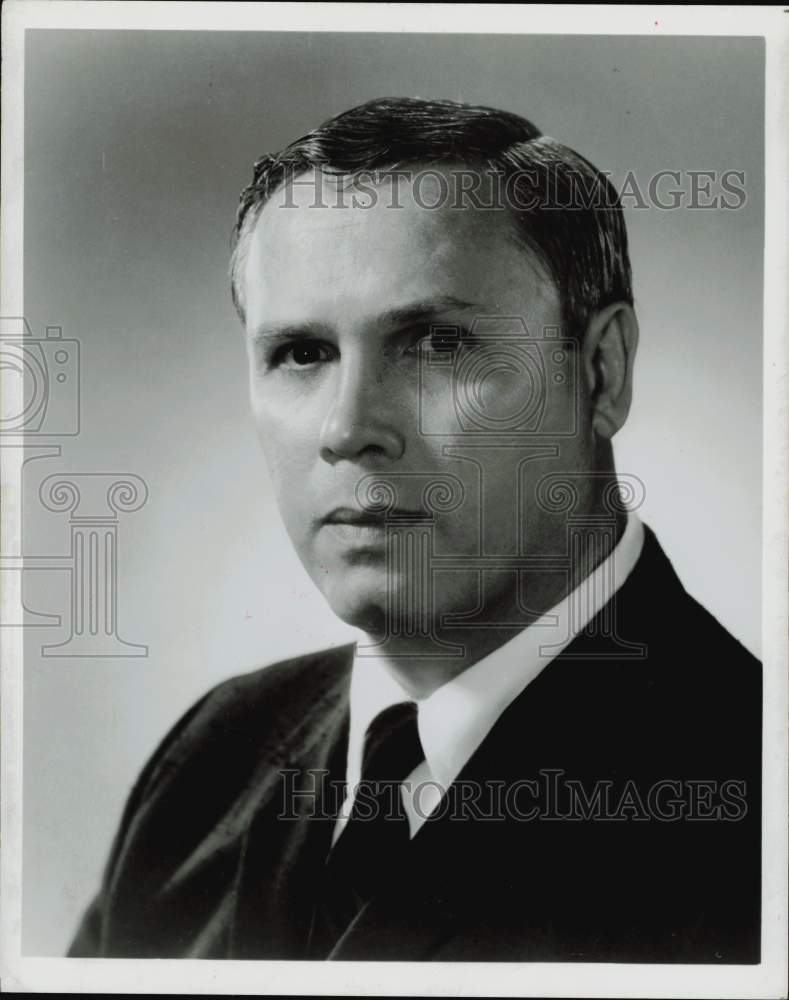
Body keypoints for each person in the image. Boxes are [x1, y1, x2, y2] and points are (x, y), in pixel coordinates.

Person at [69, 98, 761, 962]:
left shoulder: (755, 801)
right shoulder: (211, 763)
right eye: (302, 353)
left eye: (436, 344)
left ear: (601, 370)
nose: (349, 426)